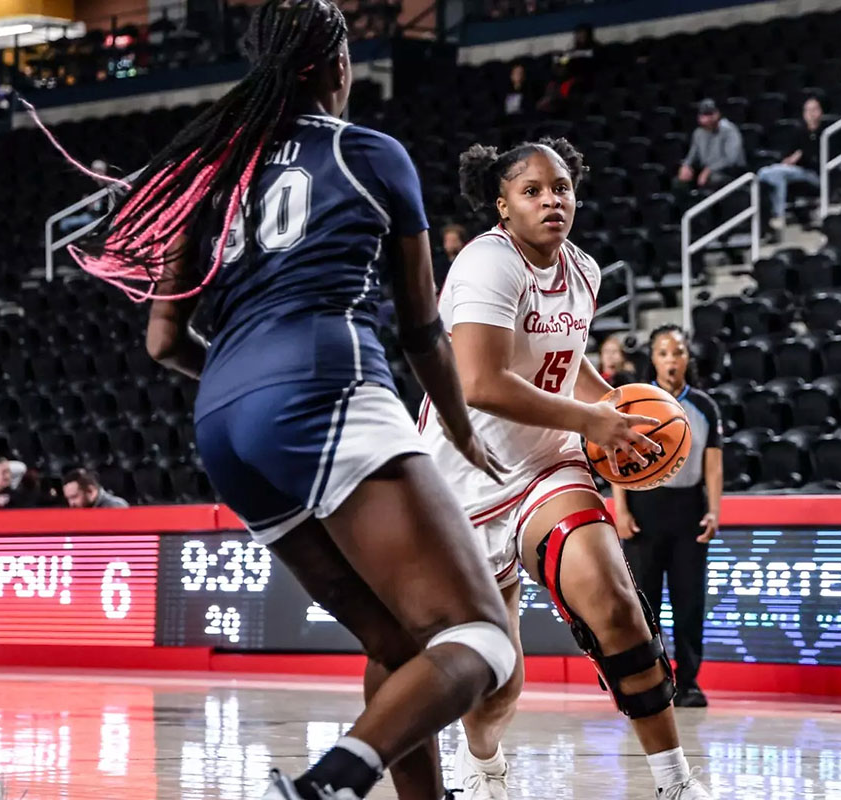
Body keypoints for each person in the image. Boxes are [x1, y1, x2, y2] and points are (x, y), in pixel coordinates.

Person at [64, 1, 516, 797]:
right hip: (325, 381)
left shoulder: (212, 172)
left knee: (398, 642)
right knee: (481, 638)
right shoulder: (369, 152)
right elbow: (422, 331)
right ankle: (323, 787)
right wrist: (459, 428)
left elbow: (163, 342)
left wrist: (248, 384)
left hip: (222, 423)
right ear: (337, 65)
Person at [422, 138, 713, 800]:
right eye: (532, 190)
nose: (551, 200)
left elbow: (564, 357)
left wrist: (613, 409)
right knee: (500, 683)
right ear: (503, 205)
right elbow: (480, 382)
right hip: (463, 479)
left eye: (561, 188)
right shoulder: (486, 264)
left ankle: (675, 783)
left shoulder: (583, 269)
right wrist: (592, 420)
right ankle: (482, 762)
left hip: (547, 465)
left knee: (615, 603)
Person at [615, 324, 723, 710]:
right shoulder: (636, 401)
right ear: (653, 359)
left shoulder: (705, 407)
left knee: (689, 602)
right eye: (663, 352)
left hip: (688, 510)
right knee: (643, 604)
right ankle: (651, 680)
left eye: (677, 352)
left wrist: (714, 510)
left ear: (687, 358)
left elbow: (713, 465)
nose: (671, 359)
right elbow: (617, 458)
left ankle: (688, 682)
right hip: (643, 509)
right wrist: (621, 509)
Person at [757, 96, 825, 231]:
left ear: (821, 112)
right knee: (765, 172)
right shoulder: (799, 132)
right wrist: (792, 158)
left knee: (777, 173)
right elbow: (788, 154)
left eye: (814, 109)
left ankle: (778, 215)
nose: (811, 114)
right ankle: (770, 215)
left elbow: (815, 157)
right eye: (807, 110)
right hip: (794, 170)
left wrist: (800, 156)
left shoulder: (825, 133)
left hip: (813, 173)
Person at [676, 99, 745, 192]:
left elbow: (730, 160)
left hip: (728, 172)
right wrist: (686, 166)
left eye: (710, 114)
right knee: (679, 181)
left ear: (717, 114)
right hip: (706, 171)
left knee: (714, 179)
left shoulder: (729, 130)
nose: (707, 118)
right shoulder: (698, 133)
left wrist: (708, 170)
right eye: (704, 115)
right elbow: (692, 155)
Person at [62, 468, 129, 508]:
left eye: (74, 497)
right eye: (68, 499)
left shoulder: (115, 506)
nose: (71, 504)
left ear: (90, 491)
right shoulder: (79, 511)